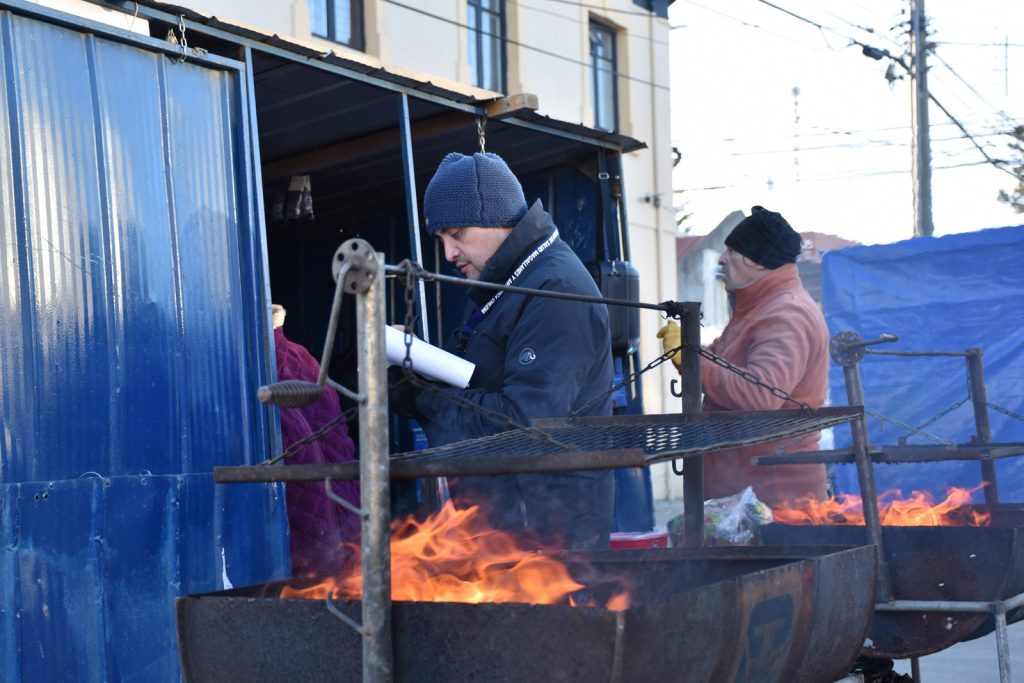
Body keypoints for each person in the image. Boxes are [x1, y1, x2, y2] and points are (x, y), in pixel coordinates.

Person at [389, 152, 614, 549]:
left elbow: (524, 423)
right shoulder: (505, 285)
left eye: (457, 234)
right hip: (507, 527)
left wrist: (422, 395)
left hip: (552, 539)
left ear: (496, 218)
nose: (448, 253)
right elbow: (473, 381)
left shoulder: (556, 290)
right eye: (441, 240)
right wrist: (405, 363)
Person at [657, 206, 829, 507]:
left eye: (732, 251)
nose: (722, 259)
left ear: (755, 260)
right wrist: (690, 350)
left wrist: (690, 359)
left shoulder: (786, 313)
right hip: (746, 495)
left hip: (776, 503)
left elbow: (758, 395)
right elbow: (723, 361)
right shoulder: (760, 308)